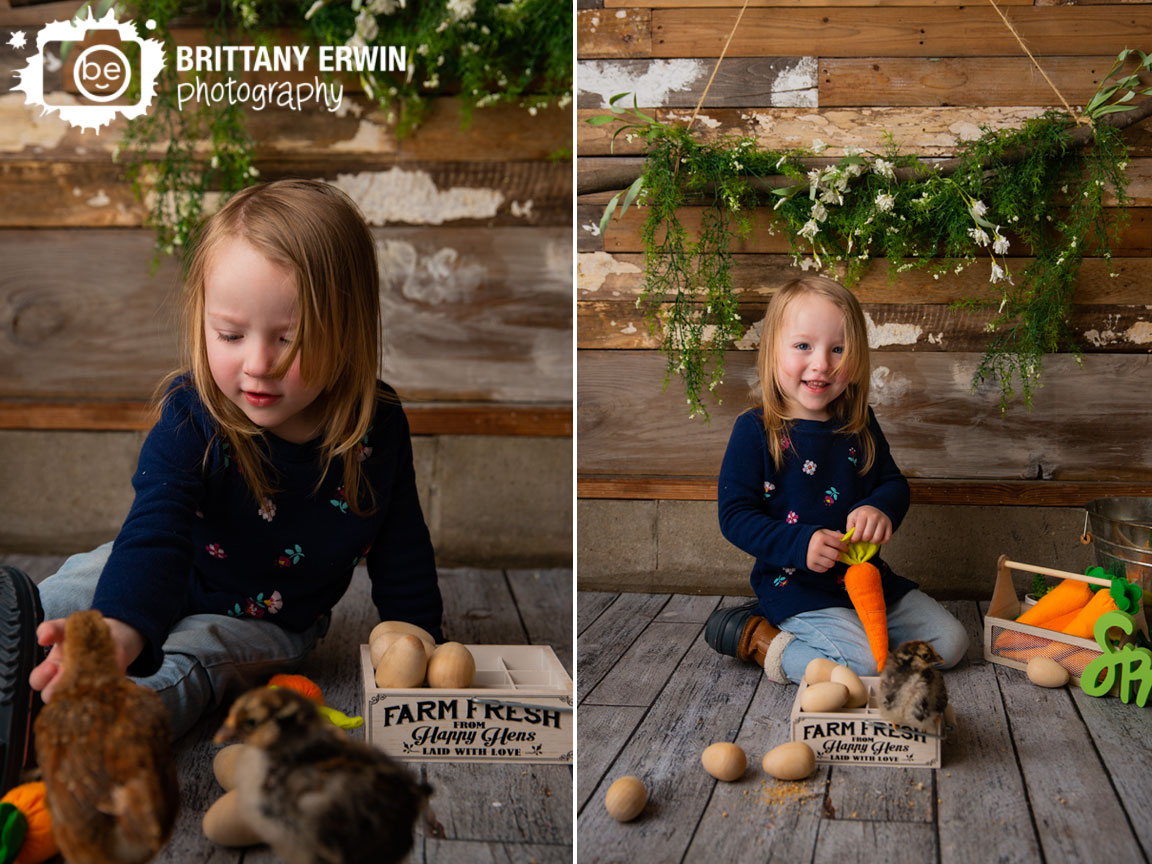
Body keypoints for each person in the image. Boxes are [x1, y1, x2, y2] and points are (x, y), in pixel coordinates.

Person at [11, 180, 442, 758]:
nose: (258, 365)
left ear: (349, 328)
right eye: (230, 335)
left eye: (290, 339)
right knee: (68, 593)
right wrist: (115, 628)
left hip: (270, 620)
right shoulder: (193, 413)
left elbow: (402, 543)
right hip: (164, 567)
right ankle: (17, 662)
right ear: (204, 321)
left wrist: (421, 640)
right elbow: (155, 529)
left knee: (196, 654)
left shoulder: (376, 425)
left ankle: (110, 723)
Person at [704, 276, 967, 684]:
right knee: (863, 666)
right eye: (803, 346)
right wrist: (799, 543)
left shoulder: (859, 425)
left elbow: (893, 483)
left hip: (867, 583)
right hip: (796, 588)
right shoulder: (755, 430)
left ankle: (863, 651)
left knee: (951, 644)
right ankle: (765, 641)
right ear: (774, 349)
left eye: (838, 349)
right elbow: (735, 516)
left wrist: (879, 508)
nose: (822, 363)